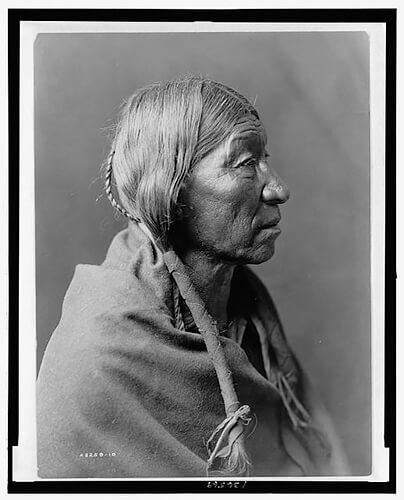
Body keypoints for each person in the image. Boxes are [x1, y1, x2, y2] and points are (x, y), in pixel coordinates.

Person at [37, 76, 350, 478]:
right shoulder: (101, 358)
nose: (278, 189)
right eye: (246, 164)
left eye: (264, 159)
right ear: (171, 191)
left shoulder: (245, 310)